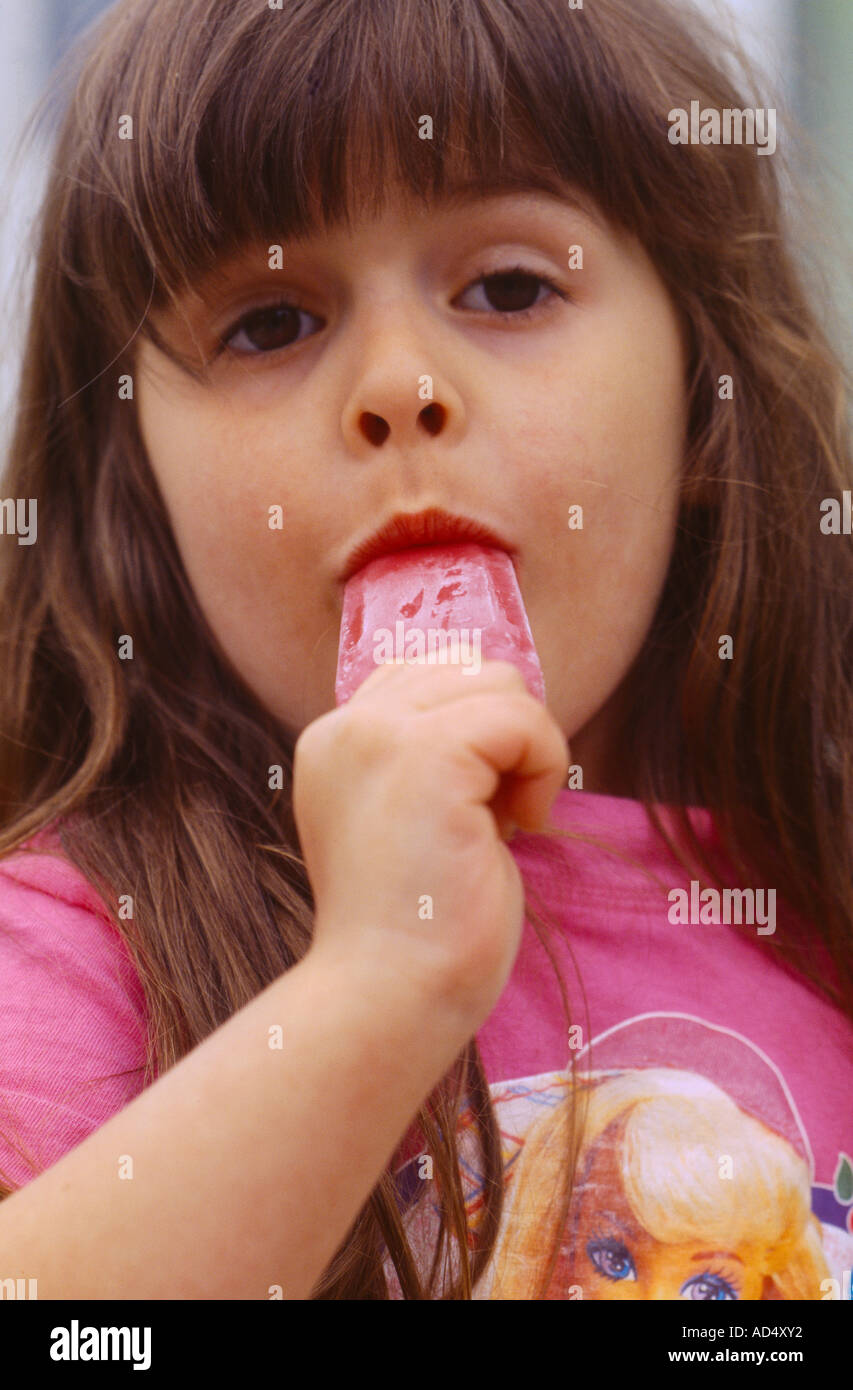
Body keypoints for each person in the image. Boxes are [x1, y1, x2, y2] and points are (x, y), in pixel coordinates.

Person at [0, 0, 849, 1300]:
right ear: (137, 498)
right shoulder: (76, 946)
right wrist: (374, 985)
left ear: (701, 405)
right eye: (271, 323)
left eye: (509, 288)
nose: (400, 384)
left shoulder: (824, 895)